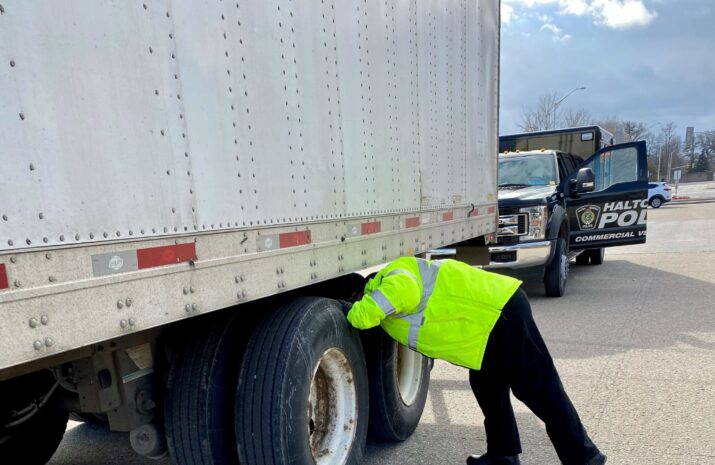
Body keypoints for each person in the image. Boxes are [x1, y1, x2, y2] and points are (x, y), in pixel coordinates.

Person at [344, 256, 606, 465]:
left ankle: (585, 457)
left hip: (501, 313)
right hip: (485, 328)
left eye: (358, 298)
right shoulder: (388, 284)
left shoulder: (390, 279)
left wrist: (353, 313)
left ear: (361, 291)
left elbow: (395, 296)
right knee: (488, 389)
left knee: (539, 389)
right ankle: (503, 455)